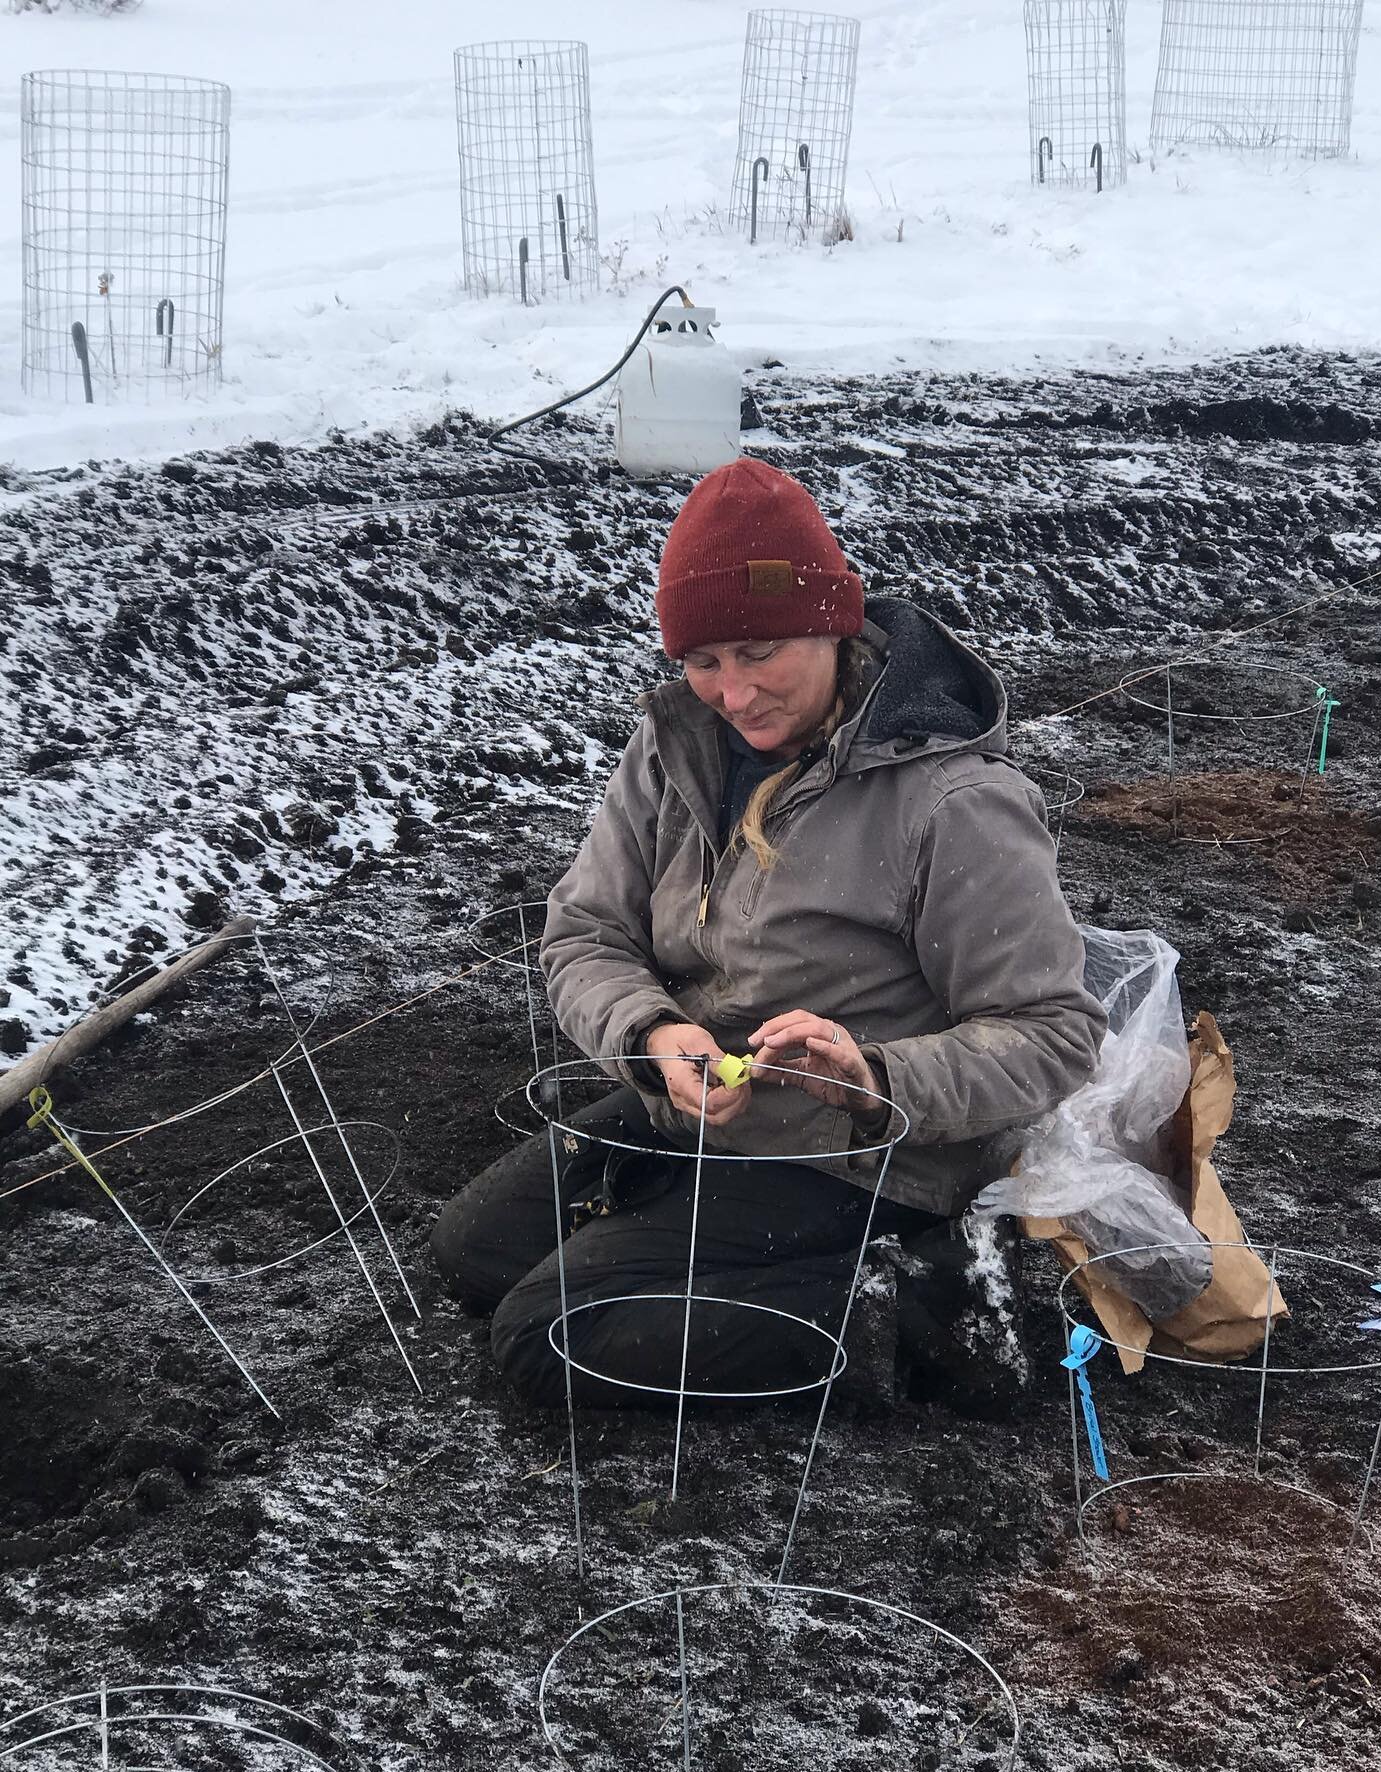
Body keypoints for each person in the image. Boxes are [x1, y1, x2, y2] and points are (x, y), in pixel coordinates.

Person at [431, 458, 1106, 1414]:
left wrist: (875, 1079)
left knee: (553, 1337)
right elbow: (582, 932)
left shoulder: (955, 800)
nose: (732, 695)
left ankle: (922, 1303)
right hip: (699, 1107)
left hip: (867, 1153)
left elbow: (1052, 1032)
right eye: (701, 662)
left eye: (759, 654)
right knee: (476, 1254)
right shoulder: (676, 749)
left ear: (831, 623)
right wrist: (652, 1037)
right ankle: (728, 1251)